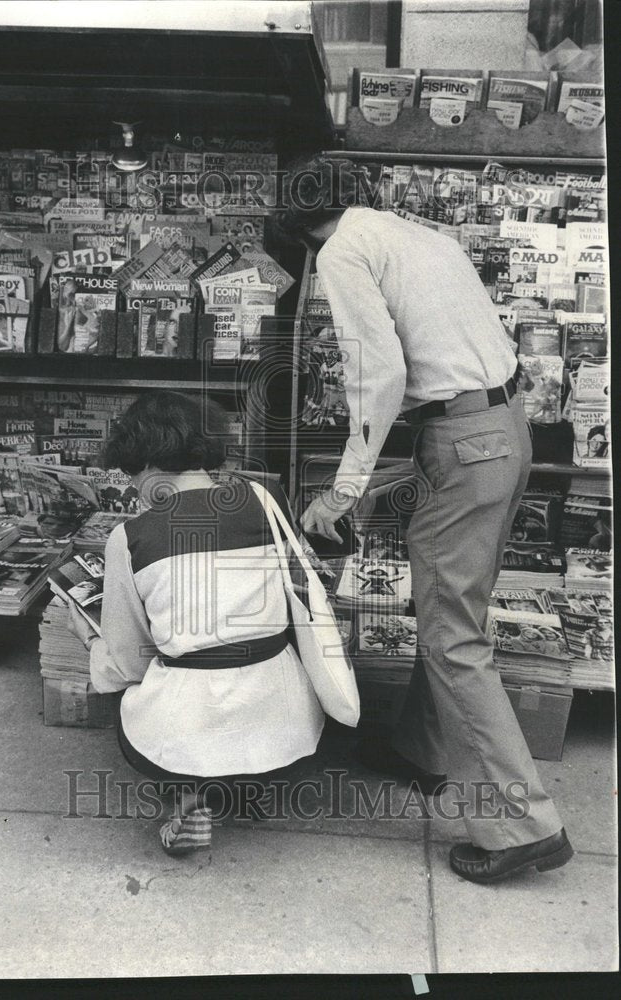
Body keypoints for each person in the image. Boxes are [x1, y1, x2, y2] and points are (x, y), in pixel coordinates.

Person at [276, 156, 572, 884]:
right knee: (451, 606)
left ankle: (519, 825)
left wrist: (341, 493)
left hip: (466, 442)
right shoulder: (420, 235)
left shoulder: (342, 249)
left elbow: (380, 378)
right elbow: (446, 371)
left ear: (300, 230)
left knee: (451, 634)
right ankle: (420, 750)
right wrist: (384, 476)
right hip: (501, 429)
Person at [67, 391, 324, 855]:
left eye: (133, 476)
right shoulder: (263, 499)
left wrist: (88, 638)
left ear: (145, 463)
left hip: (190, 726)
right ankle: (246, 780)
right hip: (285, 721)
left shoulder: (130, 538)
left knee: (132, 692)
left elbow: (128, 662)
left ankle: (189, 795)